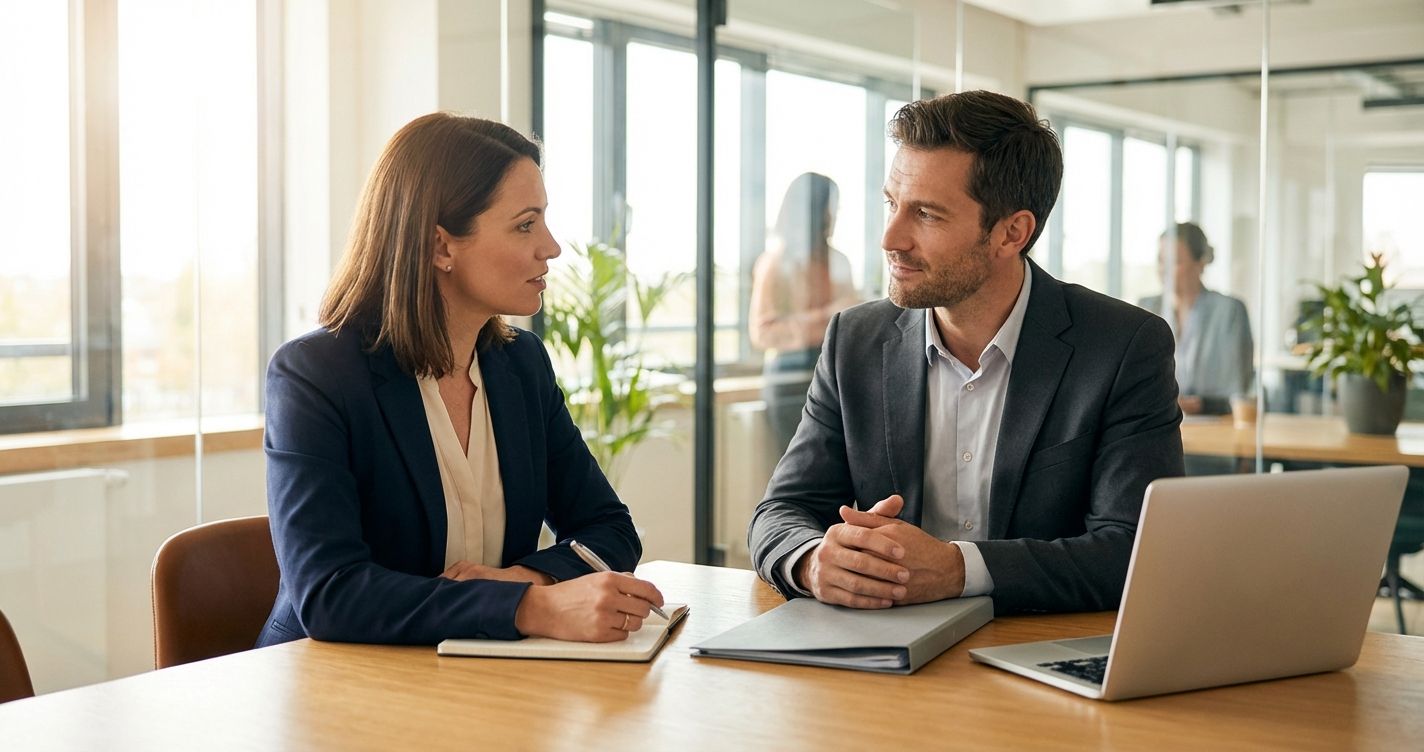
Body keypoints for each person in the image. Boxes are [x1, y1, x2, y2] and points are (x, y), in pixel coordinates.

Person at [747, 91, 1185, 615]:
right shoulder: (854, 341)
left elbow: (1132, 550)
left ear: (1011, 232)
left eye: (926, 214)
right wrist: (813, 559)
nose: (891, 237)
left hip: (1040, 659)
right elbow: (782, 510)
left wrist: (958, 570)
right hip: (882, 655)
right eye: (891, 203)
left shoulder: (1123, 345)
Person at [258, 113, 664, 647]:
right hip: (334, 688)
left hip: (477, 679)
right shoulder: (316, 377)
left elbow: (609, 528)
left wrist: (526, 580)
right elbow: (332, 594)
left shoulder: (521, 365)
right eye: (525, 224)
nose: (551, 247)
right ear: (440, 247)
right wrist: (530, 608)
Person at [749, 173, 861, 455]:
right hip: (790, 381)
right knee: (801, 471)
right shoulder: (776, 264)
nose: (834, 215)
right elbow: (762, 333)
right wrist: (829, 317)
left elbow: (853, 318)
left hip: (836, 375)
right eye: (829, 206)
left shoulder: (839, 261)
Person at [1138, 222, 1254, 415]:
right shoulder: (1146, 308)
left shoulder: (1229, 311)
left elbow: (1238, 390)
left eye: (1174, 261)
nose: (1163, 269)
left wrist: (1202, 404)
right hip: (1156, 423)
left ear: (1200, 263)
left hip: (1214, 426)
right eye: (1160, 260)